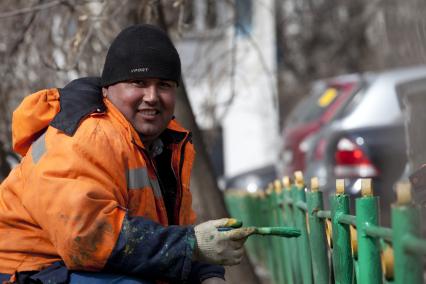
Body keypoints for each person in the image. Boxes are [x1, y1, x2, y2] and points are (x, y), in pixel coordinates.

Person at [0, 24, 253, 283]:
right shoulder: (89, 135)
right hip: (26, 271)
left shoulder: (164, 146)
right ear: (107, 90)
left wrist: (205, 274)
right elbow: (88, 239)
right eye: (138, 83)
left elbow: (172, 232)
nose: (152, 96)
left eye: (163, 84)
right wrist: (192, 245)